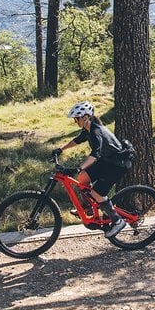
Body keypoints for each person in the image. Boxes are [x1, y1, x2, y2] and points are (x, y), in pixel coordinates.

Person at [54, 101, 135, 238]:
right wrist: (60, 149)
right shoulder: (88, 129)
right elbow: (77, 140)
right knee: (82, 177)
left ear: (85, 117)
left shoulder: (96, 131)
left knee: (97, 192)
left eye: (77, 119)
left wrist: (79, 167)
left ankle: (117, 221)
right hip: (108, 160)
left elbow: (96, 154)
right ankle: (89, 207)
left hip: (118, 164)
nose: (76, 121)